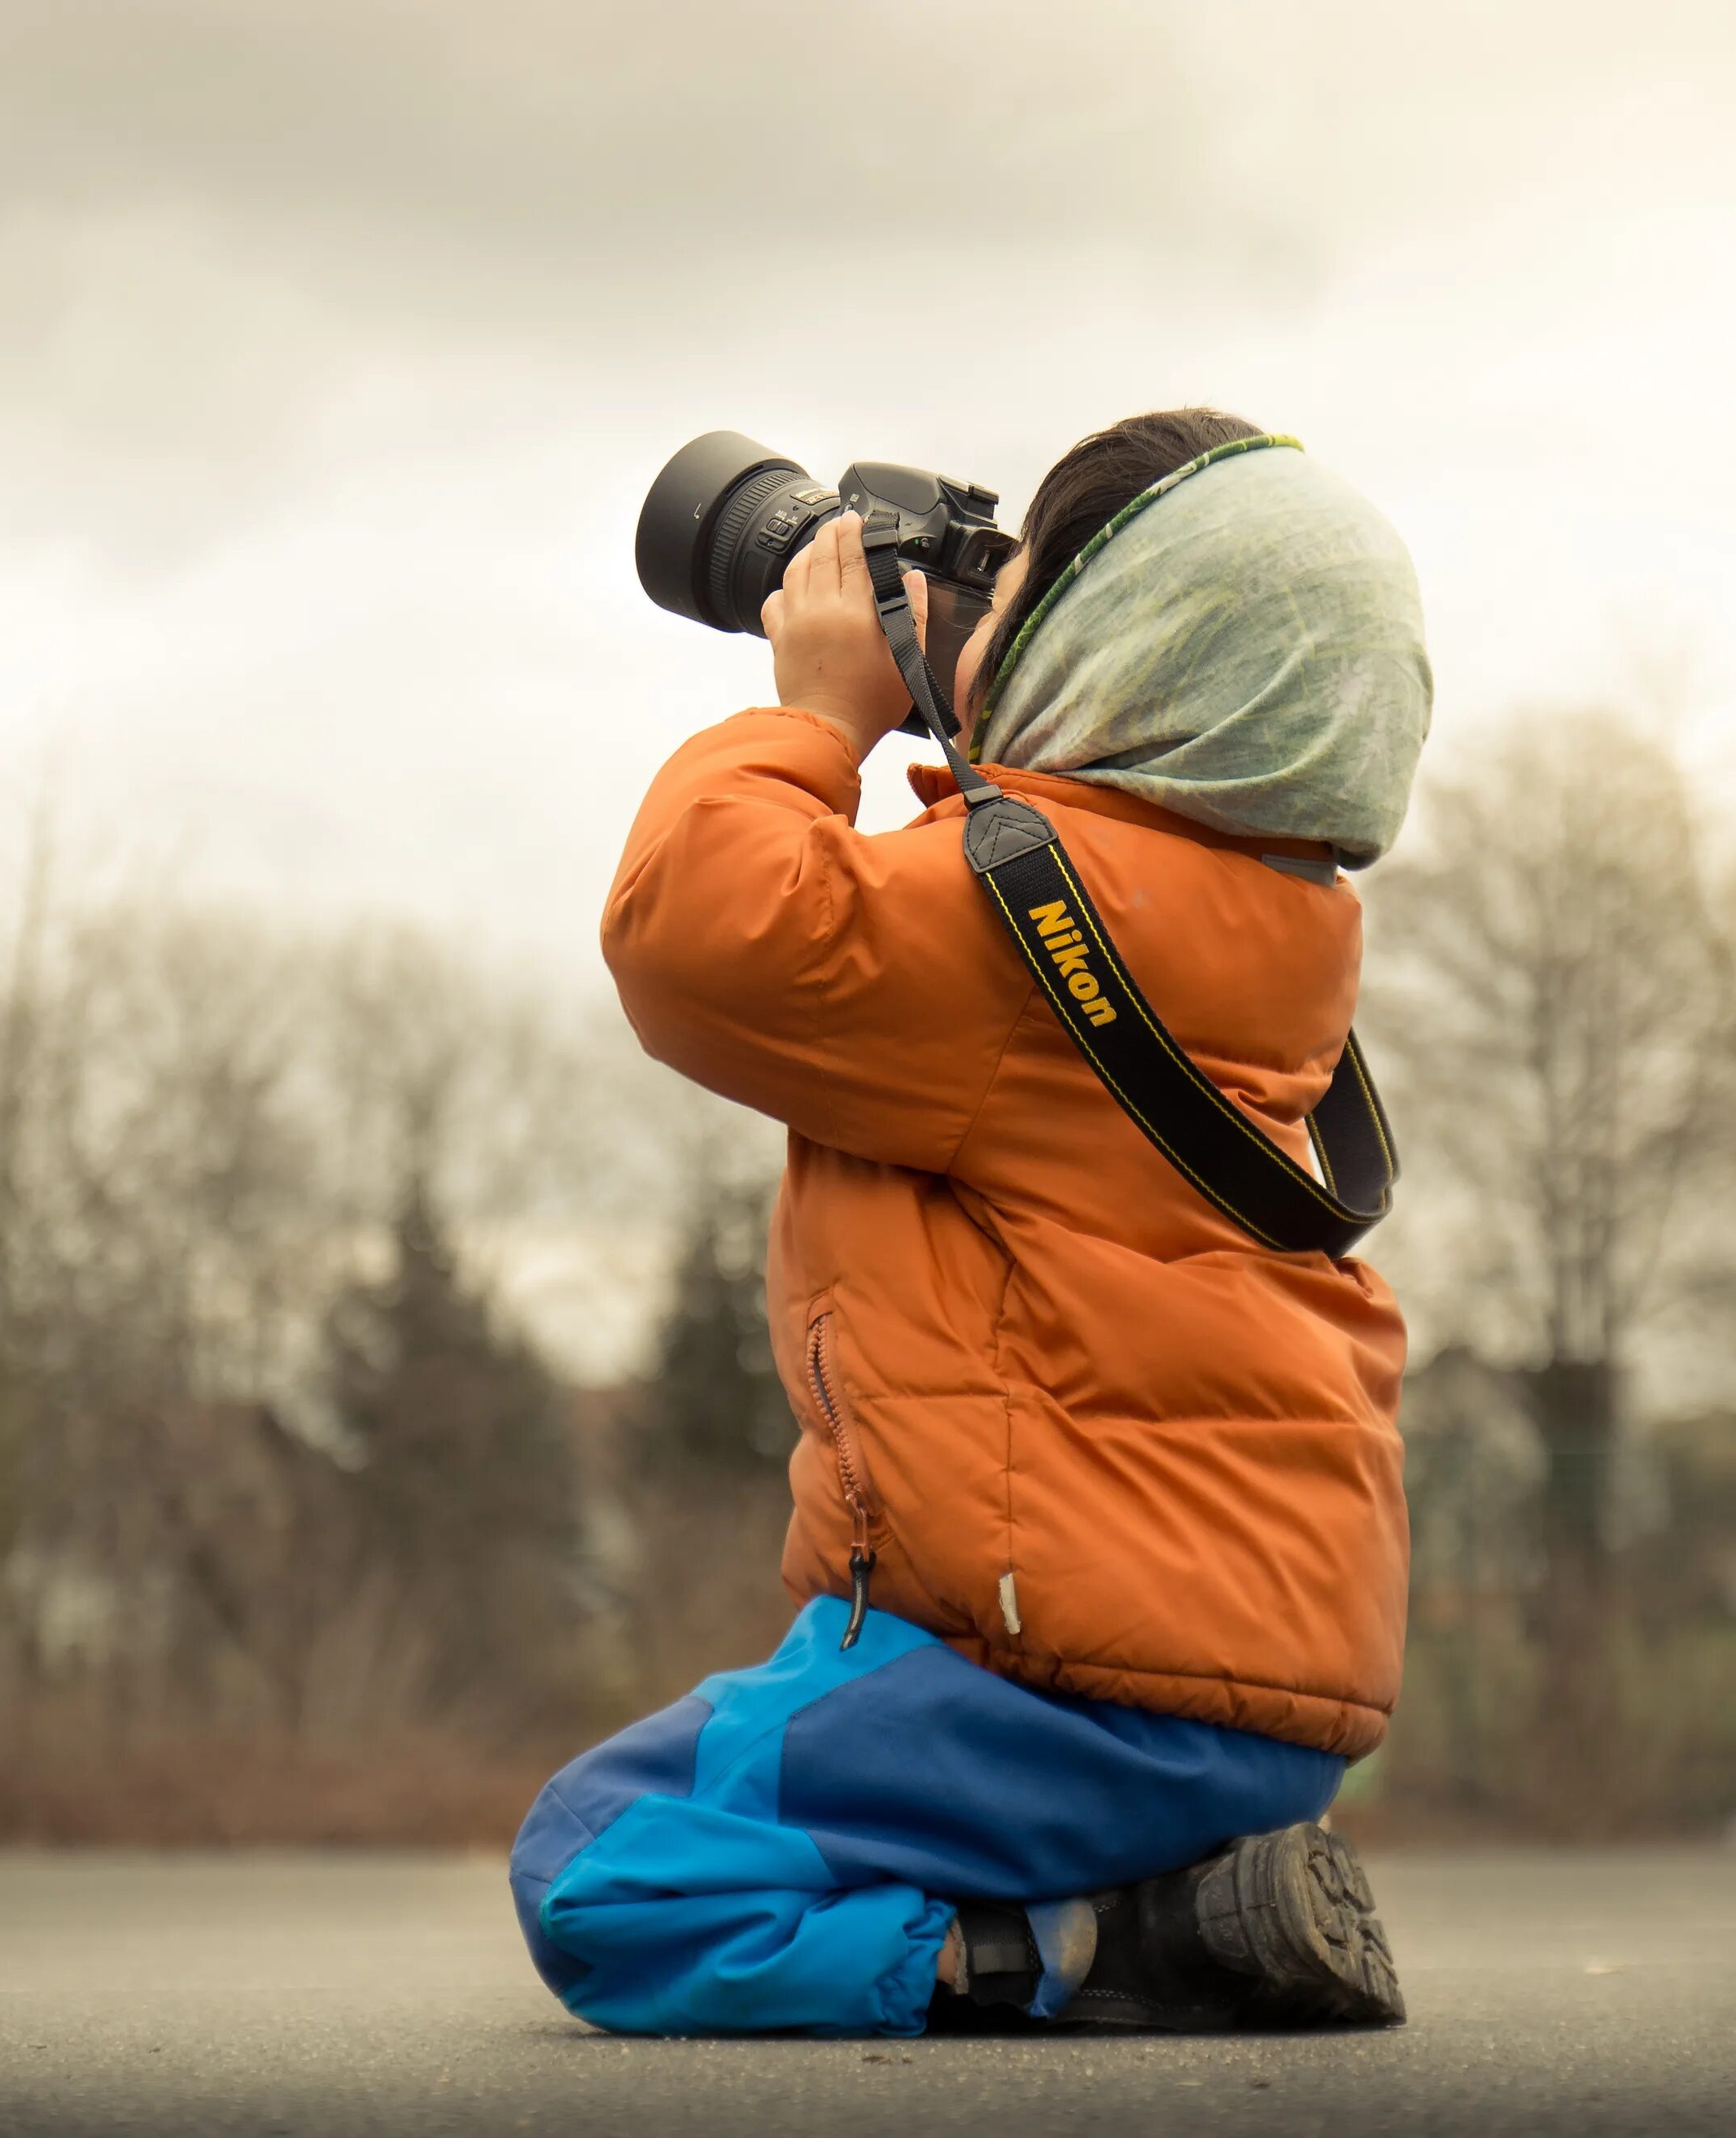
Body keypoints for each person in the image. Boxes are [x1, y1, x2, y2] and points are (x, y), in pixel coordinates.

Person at [509, 410, 1432, 2035]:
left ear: (1113, 660)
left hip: (1079, 1685)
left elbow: (695, 936)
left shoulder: (1029, 927)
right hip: (1275, 1697)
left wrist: (816, 716)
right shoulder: (1266, 926)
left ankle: (1102, 1944)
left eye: (1019, 598)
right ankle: (1200, 1882)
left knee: (610, 1865)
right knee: (799, 1707)